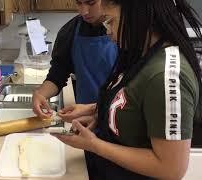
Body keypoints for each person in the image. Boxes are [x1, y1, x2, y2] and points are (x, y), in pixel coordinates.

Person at [53, 0, 202, 179]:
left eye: (110, 21)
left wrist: (94, 145)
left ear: (137, 14)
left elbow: (171, 168)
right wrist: (97, 112)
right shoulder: (141, 53)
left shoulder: (167, 75)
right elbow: (136, 104)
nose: (108, 31)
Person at [32, 0, 117, 118]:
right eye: (79, 3)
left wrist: (95, 110)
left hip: (118, 118)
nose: (84, 11)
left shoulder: (126, 31)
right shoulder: (70, 31)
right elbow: (57, 74)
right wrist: (41, 94)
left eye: (91, 3)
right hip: (83, 119)